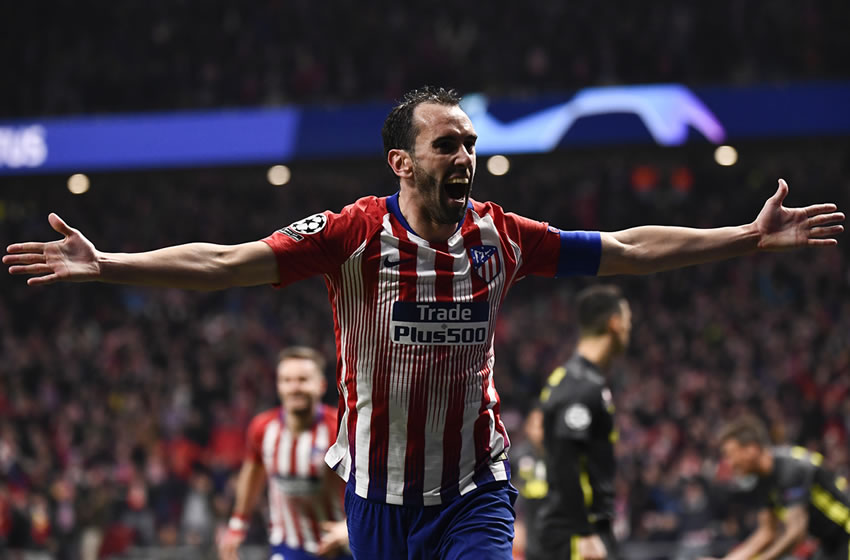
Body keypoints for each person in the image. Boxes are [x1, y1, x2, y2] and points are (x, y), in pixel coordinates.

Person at [3, 86, 844, 559]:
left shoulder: (502, 236)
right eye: (448, 145)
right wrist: (107, 263)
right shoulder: (353, 235)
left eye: (471, 143)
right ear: (404, 162)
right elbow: (225, 262)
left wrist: (744, 237)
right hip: (375, 500)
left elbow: (626, 247)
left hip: (473, 490)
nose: (466, 157)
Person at [218, 347, 350, 560]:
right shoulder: (262, 429)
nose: (294, 387)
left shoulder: (341, 428)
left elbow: (369, 482)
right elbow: (252, 475)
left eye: (302, 379)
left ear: (321, 385)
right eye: (287, 380)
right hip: (287, 547)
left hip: (339, 547)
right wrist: (237, 524)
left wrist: (350, 527)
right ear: (278, 386)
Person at [533, 284, 630, 560]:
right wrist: (585, 533)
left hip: (583, 529)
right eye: (628, 322)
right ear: (614, 323)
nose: (628, 330)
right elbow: (564, 459)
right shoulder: (580, 384)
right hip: (576, 535)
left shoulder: (578, 379)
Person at [701, 416, 850, 560]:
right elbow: (767, 532)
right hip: (830, 543)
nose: (729, 463)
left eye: (730, 455)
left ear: (751, 449)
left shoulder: (790, 469)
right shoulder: (763, 479)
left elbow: (796, 532)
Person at [509, 407, 548, 559]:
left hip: (552, 526)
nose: (540, 431)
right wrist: (515, 522)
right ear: (527, 427)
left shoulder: (557, 458)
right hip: (527, 524)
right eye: (536, 426)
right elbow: (509, 491)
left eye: (544, 426)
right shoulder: (517, 456)